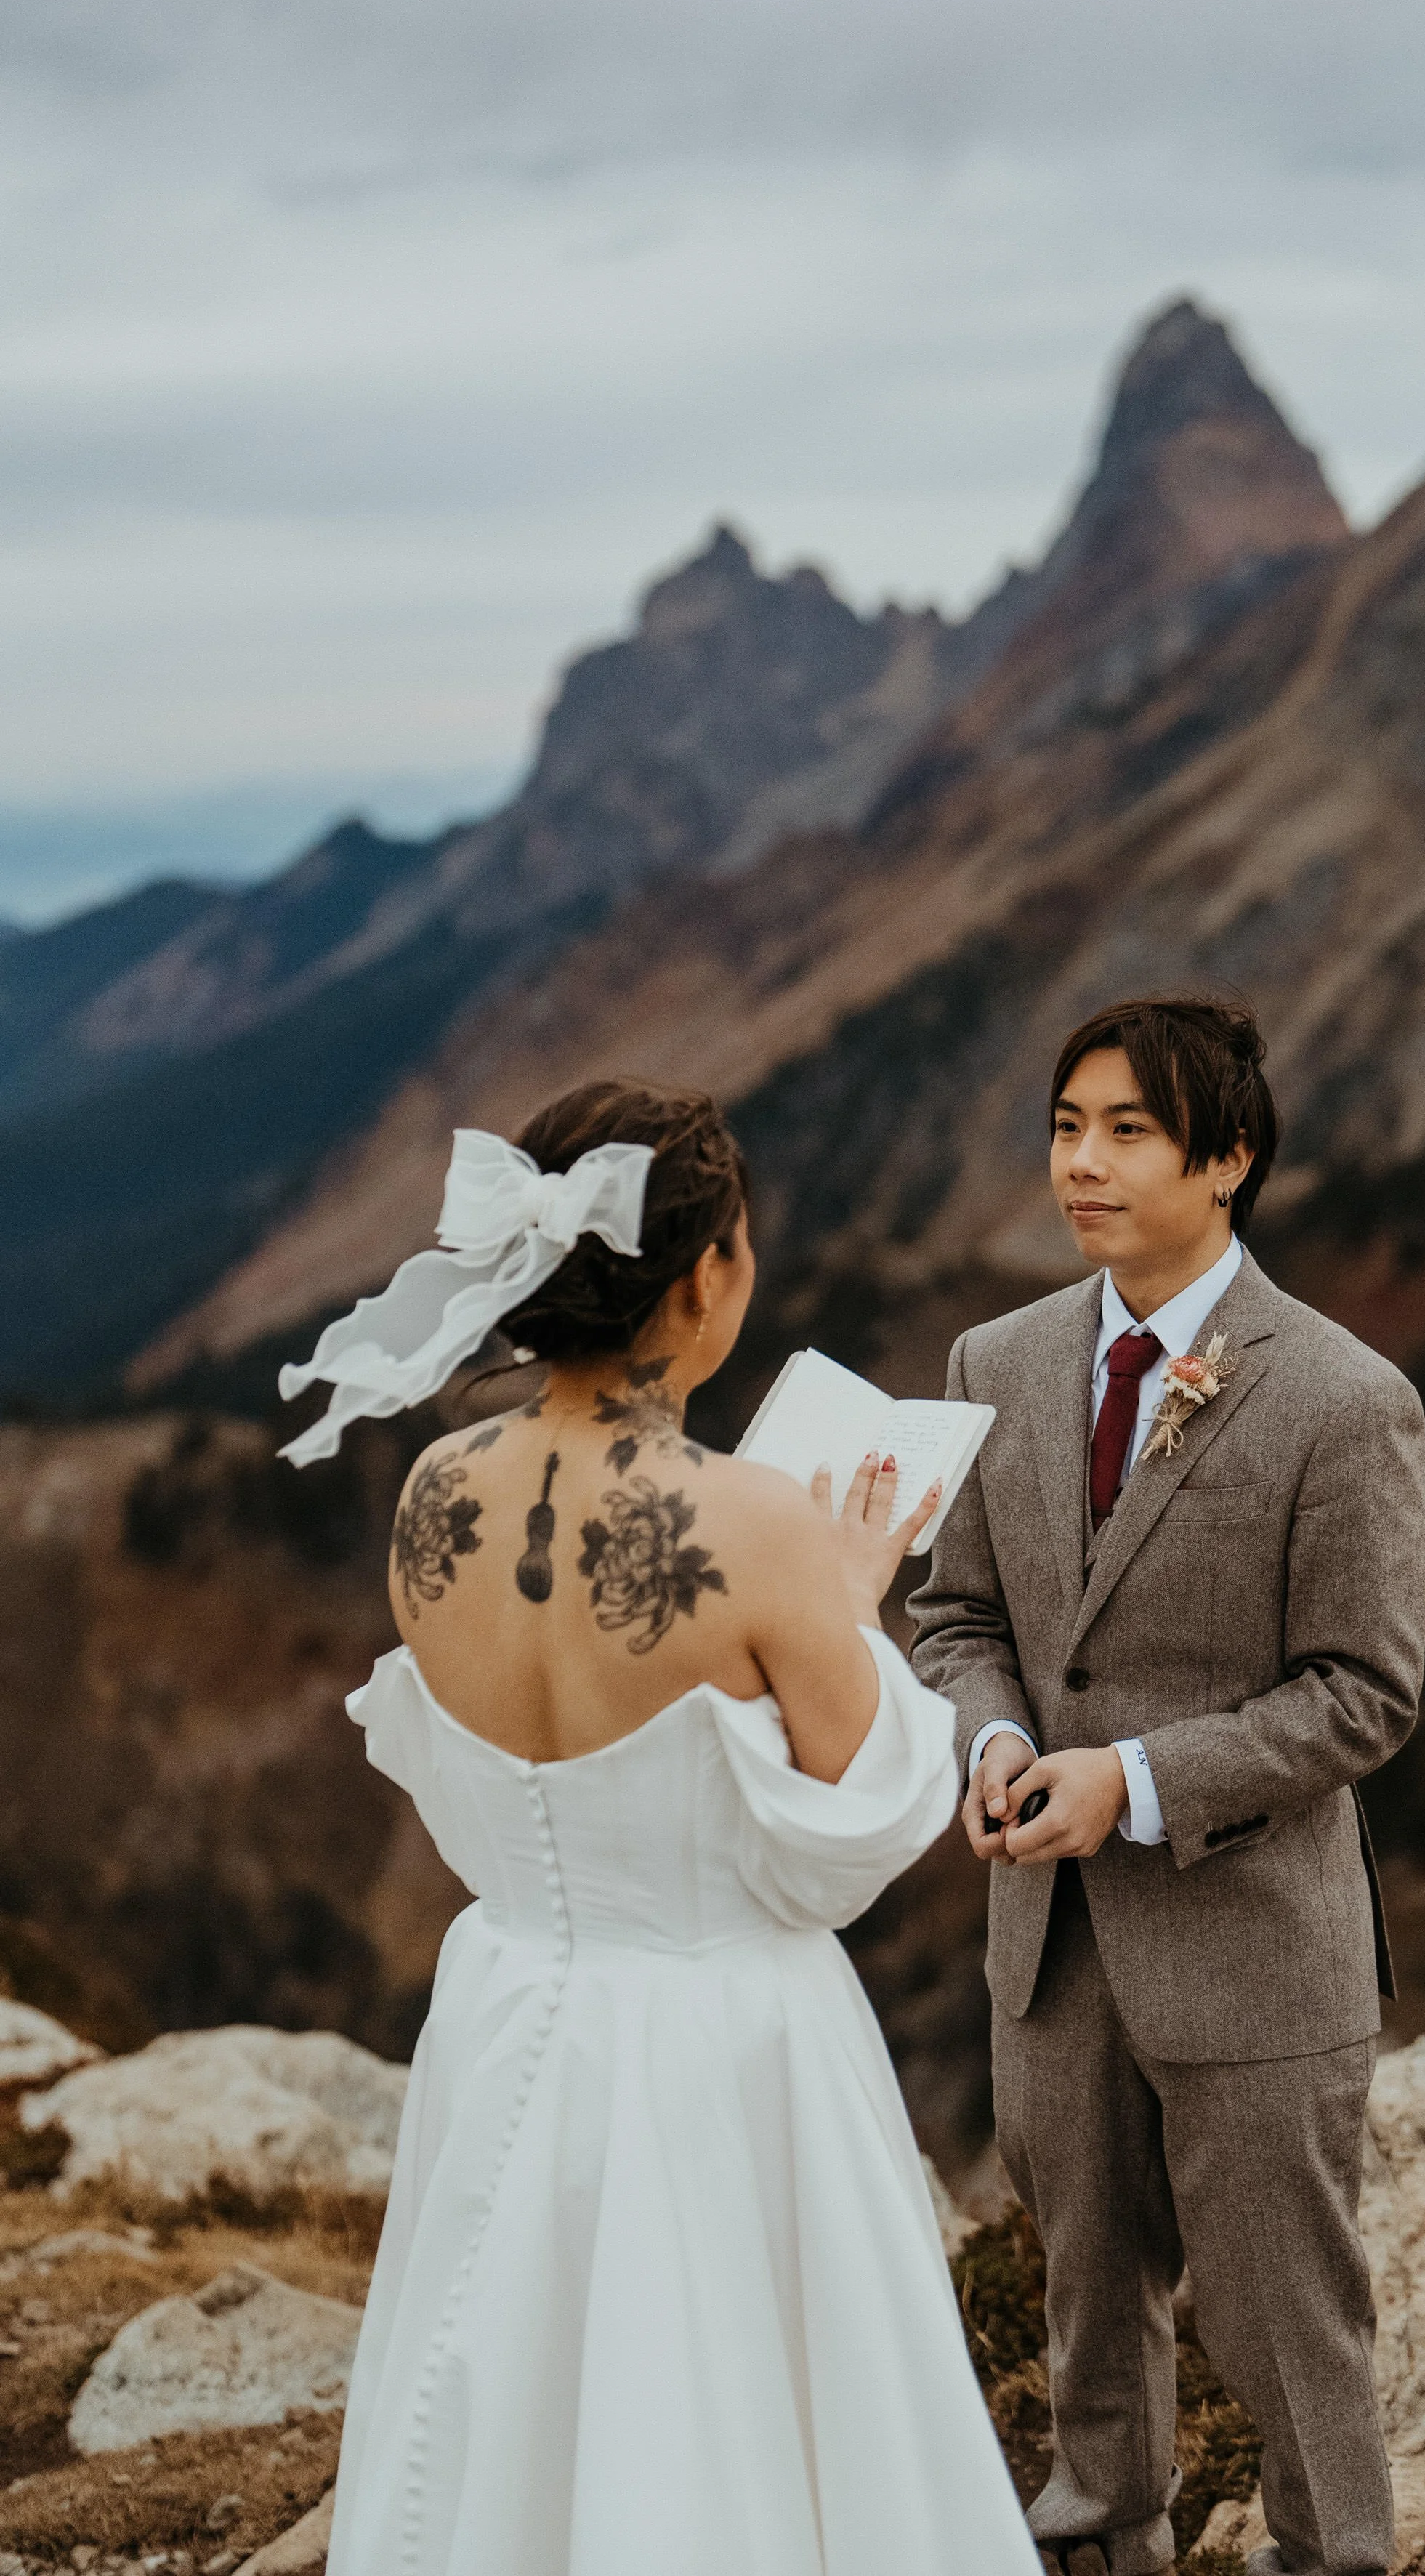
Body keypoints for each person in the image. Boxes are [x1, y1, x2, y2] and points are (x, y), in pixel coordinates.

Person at [276, 1078, 1039, 2576]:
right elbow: (857, 1827)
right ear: (702, 1280)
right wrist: (850, 1591)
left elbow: (473, 1758)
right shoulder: (754, 1525)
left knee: (505, 2401)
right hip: (717, 2042)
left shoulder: (432, 1488)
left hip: (508, 2008)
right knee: (718, 2418)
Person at [910, 994, 1425, 2576]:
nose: (1082, 1163)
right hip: (1049, 1952)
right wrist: (994, 1744)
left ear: (1229, 1160)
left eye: (1127, 1131)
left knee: (1286, 2329)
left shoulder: (1342, 1397)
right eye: (1067, 1126)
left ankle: (1333, 2558)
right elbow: (955, 1616)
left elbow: (1362, 1694)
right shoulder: (991, 1361)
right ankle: (1096, 2548)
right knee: (1086, 2318)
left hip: (1252, 1948)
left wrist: (1128, 1779)